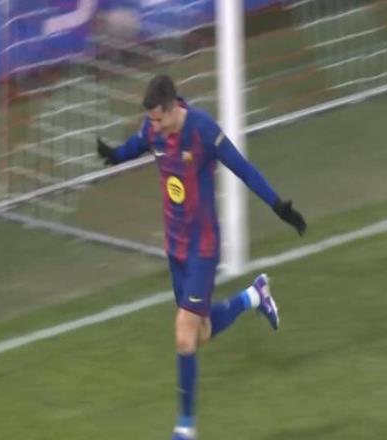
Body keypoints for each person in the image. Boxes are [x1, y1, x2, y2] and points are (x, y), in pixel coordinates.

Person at [97, 74, 306, 440]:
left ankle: (185, 428)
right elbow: (136, 144)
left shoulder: (202, 130)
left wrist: (278, 205)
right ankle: (255, 295)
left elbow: (242, 168)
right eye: (150, 120)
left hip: (203, 247)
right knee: (200, 334)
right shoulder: (154, 130)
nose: (153, 126)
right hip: (175, 247)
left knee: (183, 334)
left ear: (171, 108)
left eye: (157, 119)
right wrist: (114, 155)